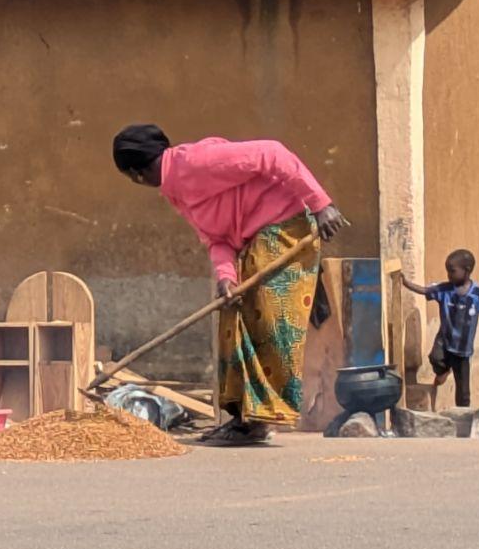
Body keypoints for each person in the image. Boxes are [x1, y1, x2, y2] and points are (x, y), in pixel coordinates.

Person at [111, 125, 348, 445]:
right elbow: (216, 238)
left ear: (136, 173)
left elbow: (272, 153)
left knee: (268, 321)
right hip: (251, 243)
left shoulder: (195, 162)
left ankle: (262, 418)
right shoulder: (175, 191)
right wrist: (226, 278)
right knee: (232, 319)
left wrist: (321, 204)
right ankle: (242, 418)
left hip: (284, 229)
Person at [392, 250, 479, 409]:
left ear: (467, 270)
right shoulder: (444, 290)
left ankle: (463, 414)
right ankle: (443, 372)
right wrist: (405, 283)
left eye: (452, 271)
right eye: (447, 271)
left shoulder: (478, 293)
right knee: (435, 357)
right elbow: (425, 290)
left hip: (463, 350)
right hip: (445, 341)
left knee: (463, 390)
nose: (449, 275)